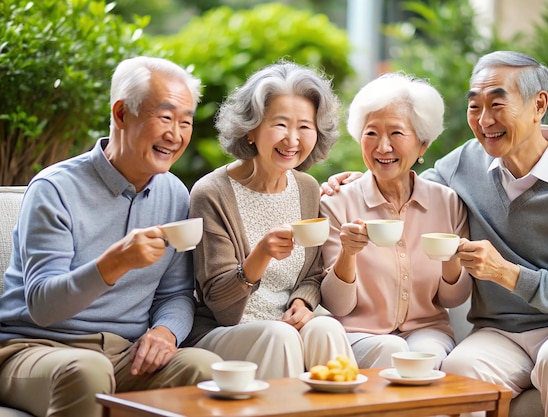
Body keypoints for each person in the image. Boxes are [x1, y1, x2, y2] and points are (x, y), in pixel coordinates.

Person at [322, 51, 548, 417]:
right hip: (500, 334)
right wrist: (358, 179)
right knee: (460, 370)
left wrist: (505, 272)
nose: (484, 120)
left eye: (497, 104)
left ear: (538, 104)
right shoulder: (465, 163)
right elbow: (409, 187)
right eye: (474, 106)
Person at [0, 56, 222, 417]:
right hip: (35, 348)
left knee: (205, 368)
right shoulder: (55, 189)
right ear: (121, 114)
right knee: (88, 371)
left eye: (186, 122)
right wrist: (115, 263)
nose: (176, 134)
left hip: (123, 355)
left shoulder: (175, 194)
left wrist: (166, 332)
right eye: (165, 117)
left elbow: (177, 294)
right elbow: (42, 306)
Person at [182, 61, 355, 379]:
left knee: (326, 327)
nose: (292, 139)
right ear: (251, 128)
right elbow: (220, 306)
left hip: (285, 326)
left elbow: (313, 274)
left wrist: (303, 303)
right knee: (281, 335)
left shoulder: (307, 188)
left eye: (305, 126)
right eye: (280, 124)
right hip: (224, 333)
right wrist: (259, 256)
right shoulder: (211, 193)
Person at [319, 72, 470, 370]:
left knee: (424, 357)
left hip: (427, 332)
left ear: (423, 144)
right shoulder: (337, 202)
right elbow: (337, 305)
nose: (382, 147)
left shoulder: (447, 202)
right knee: (392, 350)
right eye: (371, 133)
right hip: (358, 335)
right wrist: (348, 254)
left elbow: (454, 298)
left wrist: (452, 258)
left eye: (397, 134)